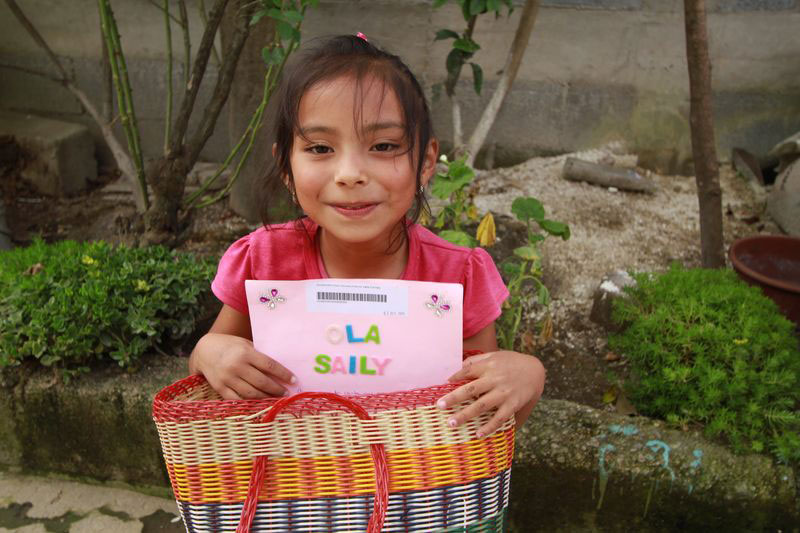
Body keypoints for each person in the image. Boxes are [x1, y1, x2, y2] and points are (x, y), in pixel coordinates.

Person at [189, 34, 545, 439]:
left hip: (417, 490)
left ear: (426, 162)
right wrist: (208, 353)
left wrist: (527, 375)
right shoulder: (264, 262)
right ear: (286, 166)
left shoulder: (458, 277)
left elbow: (482, 416)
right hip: (292, 486)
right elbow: (208, 372)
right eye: (321, 148)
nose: (350, 173)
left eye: (383, 145)